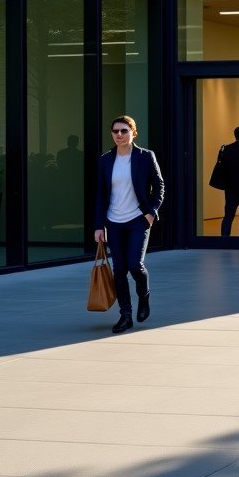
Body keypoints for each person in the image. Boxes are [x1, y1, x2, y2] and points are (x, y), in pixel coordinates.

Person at [94, 116, 164, 334]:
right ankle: (125, 314)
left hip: (137, 220)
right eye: (115, 131)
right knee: (119, 270)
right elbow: (100, 194)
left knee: (135, 265)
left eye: (124, 131)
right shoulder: (105, 160)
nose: (119, 135)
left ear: (134, 132)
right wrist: (99, 225)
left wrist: (151, 213)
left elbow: (159, 186)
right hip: (113, 222)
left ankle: (144, 296)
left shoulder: (145, 156)